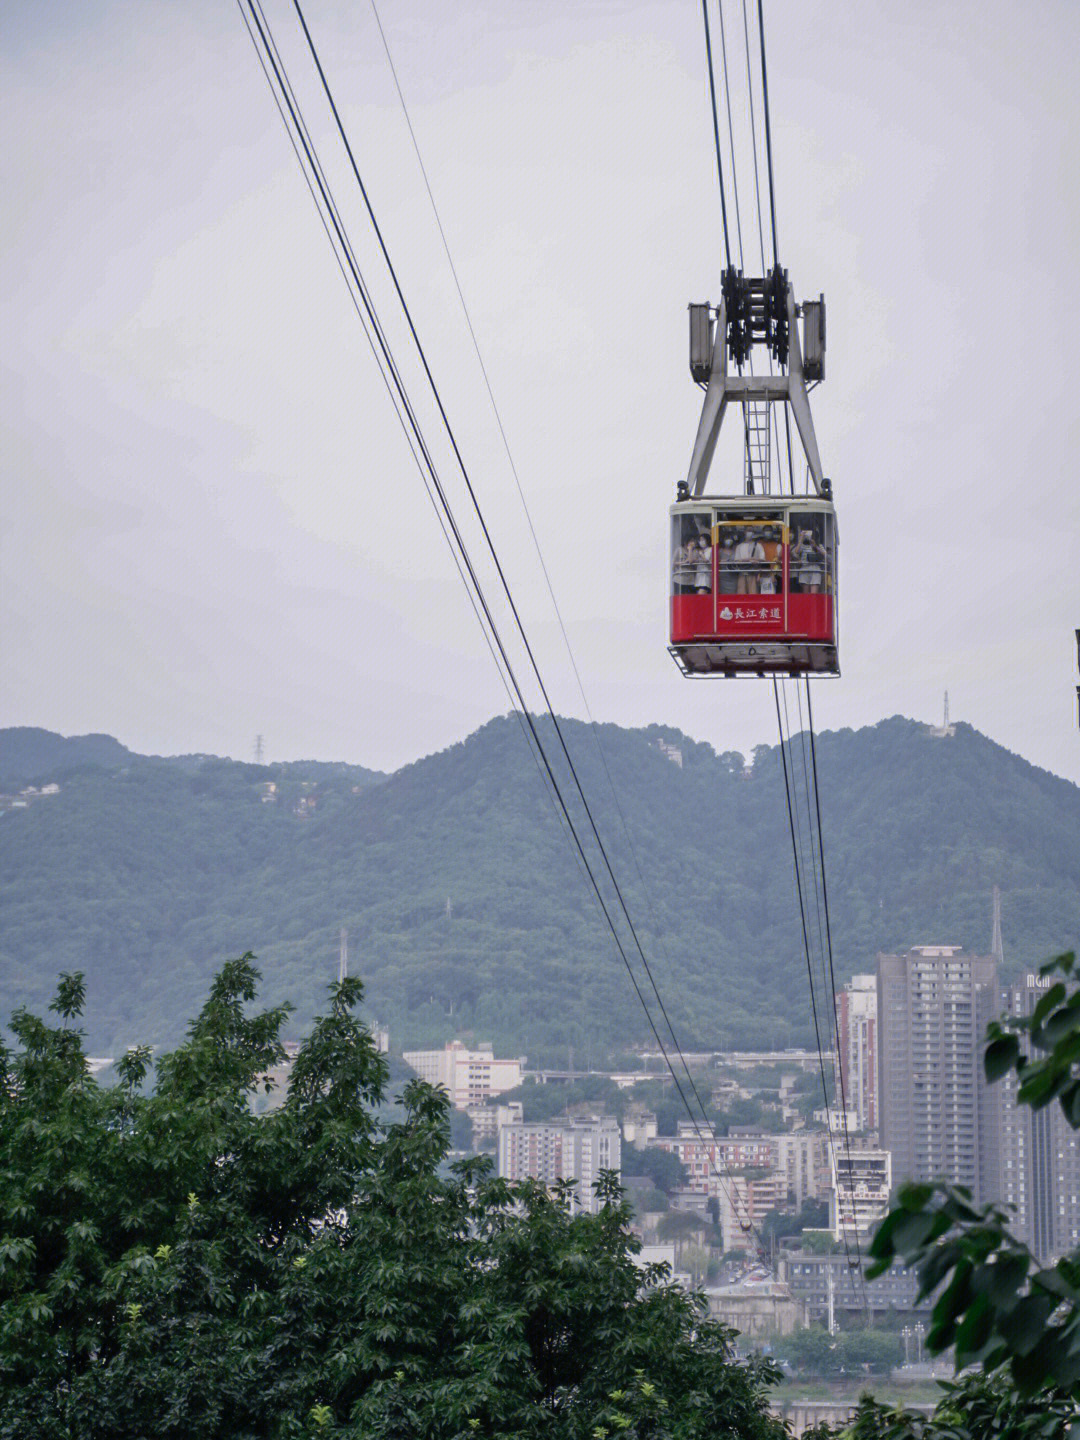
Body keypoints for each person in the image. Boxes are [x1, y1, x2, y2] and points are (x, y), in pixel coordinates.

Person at [792, 527, 825, 593]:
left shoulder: (819, 545)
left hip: (815, 570)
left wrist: (815, 546)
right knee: (806, 594)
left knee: (813, 595)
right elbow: (796, 551)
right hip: (805, 569)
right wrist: (801, 539)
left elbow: (824, 554)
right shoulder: (803, 545)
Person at [733, 529, 765, 594]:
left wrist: (755, 559)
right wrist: (749, 559)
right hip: (742, 573)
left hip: (754, 573)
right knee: (741, 594)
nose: (749, 533)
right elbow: (736, 560)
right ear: (744, 532)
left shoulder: (758, 545)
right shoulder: (739, 546)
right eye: (748, 531)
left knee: (753, 594)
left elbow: (763, 559)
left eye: (751, 531)